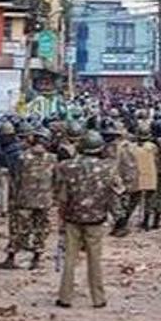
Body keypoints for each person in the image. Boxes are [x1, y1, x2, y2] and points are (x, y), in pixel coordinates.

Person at [55, 130, 123, 309]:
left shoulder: (66, 166)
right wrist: (117, 216)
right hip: (96, 219)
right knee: (95, 259)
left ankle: (65, 297)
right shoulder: (109, 168)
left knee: (69, 258)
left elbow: (61, 196)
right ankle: (98, 298)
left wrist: (61, 218)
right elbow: (117, 193)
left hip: (72, 217)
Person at [0, 126, 54, 269]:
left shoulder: (21, 157)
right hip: (44, 200)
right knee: (41, 230)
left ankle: (11, 258)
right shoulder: (53, 159)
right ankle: (36, 259)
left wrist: (12, 200)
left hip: (23, 200)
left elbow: (15, 179)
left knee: (18, 230)